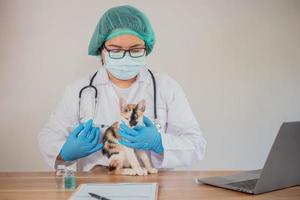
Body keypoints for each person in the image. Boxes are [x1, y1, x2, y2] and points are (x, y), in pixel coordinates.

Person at [38, 5, 206, 171]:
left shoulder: (166, 87)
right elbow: (48, 139)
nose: (126, 56)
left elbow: (196, 145)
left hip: (156, 187)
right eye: (115, 50)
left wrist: (160, 143)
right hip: (96, 187)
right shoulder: (79, 90)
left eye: (135, 49)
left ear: (146, 49)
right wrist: (64, 152)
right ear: (101, 50)